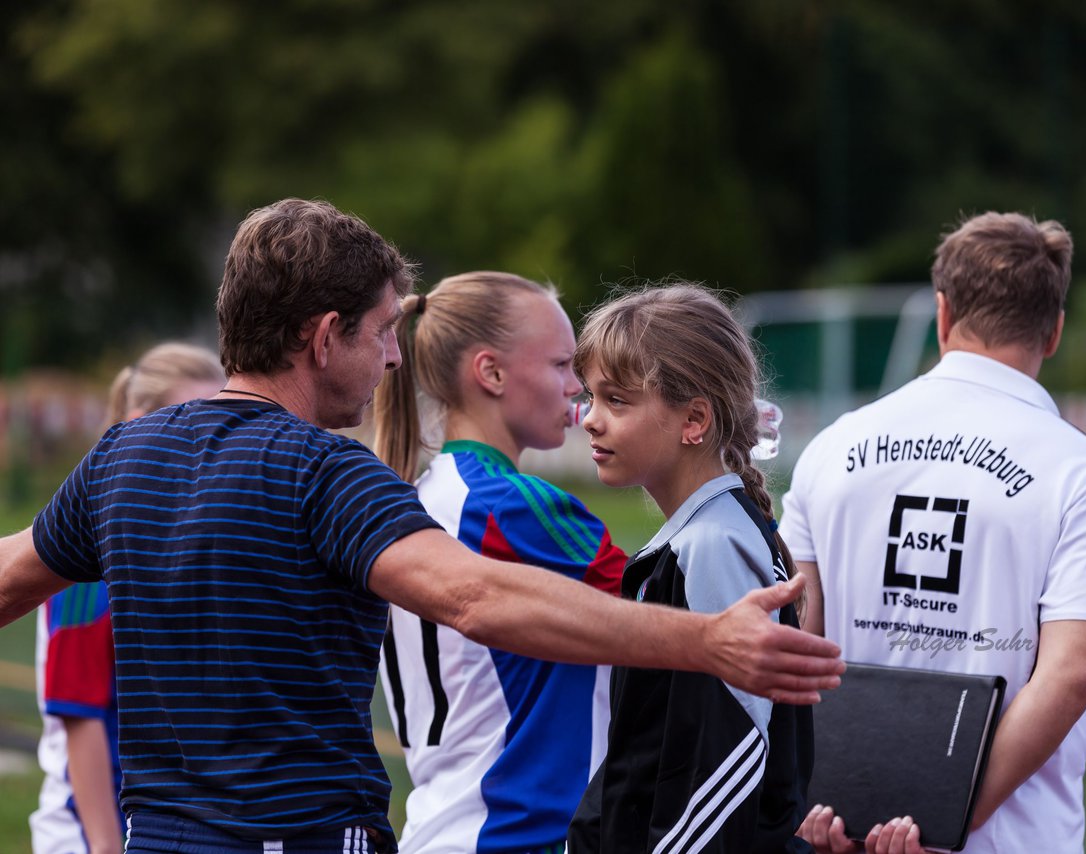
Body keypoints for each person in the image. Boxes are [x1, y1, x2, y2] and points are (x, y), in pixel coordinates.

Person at [0, 198, 843, 853]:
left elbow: (10, 574)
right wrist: (704, 642)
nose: (397, 358)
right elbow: (474, 596)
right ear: (325, 338)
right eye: (382, 333)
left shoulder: (124, 456)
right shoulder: (322, 472)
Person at [779, 212, 1086, 853]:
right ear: (1053, 332)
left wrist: (821, 796)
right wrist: (949, 816)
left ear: (942, 315)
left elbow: (791, 637)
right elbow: (1070, 676)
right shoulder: (1081, 469)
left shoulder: (832, 447)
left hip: (842, 826)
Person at [371, 271, 626, 853]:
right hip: (515, 835)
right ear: (490, 373)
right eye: (562, 365)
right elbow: (674, 609)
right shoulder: (509, 506)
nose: (576, 389)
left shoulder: (414, 495)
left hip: (437, 827)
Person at [564, 283, 818, 853]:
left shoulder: (713, 547)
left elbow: (725, 768)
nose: (590, 419)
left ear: (694, 419)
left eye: (617, 401)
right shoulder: (704, 535)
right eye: (590, 396)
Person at [30, 342, 225, 854]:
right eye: (192, 421)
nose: (213, 442)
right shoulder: (91, 542)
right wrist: (104, 845)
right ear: (139, 422)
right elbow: (80, 716)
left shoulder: (177, 532)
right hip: (90, 832)